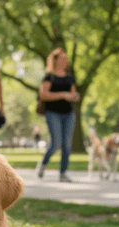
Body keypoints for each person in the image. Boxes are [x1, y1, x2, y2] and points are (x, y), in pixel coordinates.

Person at [35, 48, 81, 182]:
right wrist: (62, 95)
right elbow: (43, 95)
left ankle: (63, 173)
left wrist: (75, 97)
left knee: (67, 145)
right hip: (53, 113)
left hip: (68, 114)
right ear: (54, 60)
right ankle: (43, 163)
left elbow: (73, 94)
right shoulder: (49, 76)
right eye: (61, 58)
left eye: (65, 58)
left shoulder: (69, 77)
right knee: (56, 143)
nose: (64, 60)